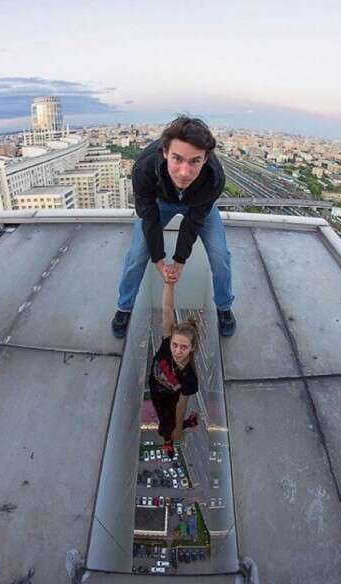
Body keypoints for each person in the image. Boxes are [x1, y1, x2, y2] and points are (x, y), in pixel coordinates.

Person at [111, 116, 235, 338]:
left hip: (197, 204)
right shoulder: (145, 168)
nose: (185, 172)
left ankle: (224, 307)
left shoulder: (214, 177)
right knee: (136, 255)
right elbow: (149, 217)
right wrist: (158, 260)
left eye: (195, 161)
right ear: (165, 153)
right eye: (177, 159)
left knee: (220, 255)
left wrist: (179, 260)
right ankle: (124, 307)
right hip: (161, 202)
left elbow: (193, 223)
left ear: (206, 159)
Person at [149, 281, 199, 458]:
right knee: (166, 421)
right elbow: (167, 309)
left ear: (192, 348)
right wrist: (169, 283)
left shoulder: (190, 379)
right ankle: (187, 424)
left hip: (170, 398)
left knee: (166, 423)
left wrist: (178, 429)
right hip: (155, 390)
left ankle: (168, 440)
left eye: (183, 347)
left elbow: (181, 406)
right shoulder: (166, 340)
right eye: (175, 345)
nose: (177, 351)